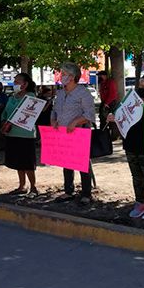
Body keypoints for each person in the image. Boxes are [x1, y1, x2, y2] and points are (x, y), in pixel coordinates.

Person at [107, 74, 144, 221]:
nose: (143, 89)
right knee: (137, 176)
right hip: (131, 144)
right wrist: (113, 117)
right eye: (141, 86)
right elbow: (119, 114)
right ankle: (140, 203)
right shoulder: (131, 100)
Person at [51, 62, 96, 205]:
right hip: (63, 133)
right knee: (66, 163)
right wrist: (53, 119)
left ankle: (86, 194)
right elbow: (55, 110)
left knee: (82, 164)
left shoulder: (83, 93)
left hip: (79, 132)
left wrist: (76, 121)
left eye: (63, 74)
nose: (61, 76)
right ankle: (68, 191)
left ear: (72, 76)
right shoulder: (60, 92)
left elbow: (89, 114)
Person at [1, 73, 39, 198]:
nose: (15, 83)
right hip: (12, 133)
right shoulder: (12, 97)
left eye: (17, 81)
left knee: (27, 163)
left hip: (26, 135)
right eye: (14, 81)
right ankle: (22, 185)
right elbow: (6, 112)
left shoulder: (31, 97)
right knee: (18, 162)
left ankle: (33, 187)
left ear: (25, 84)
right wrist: (4, 122)